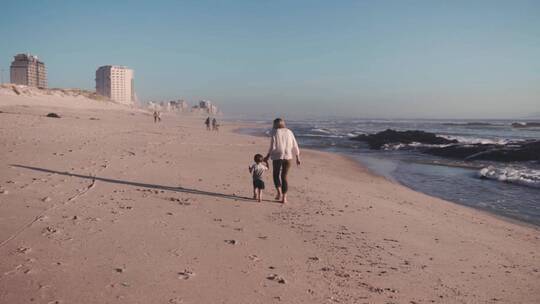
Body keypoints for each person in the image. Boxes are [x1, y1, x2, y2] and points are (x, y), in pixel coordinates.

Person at [264, 118, 301, 204]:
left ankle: (279, 192)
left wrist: (267, 156)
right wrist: (298, 157)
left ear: (275, 124)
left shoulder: (274, 131)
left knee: (276, 175)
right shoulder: (289, 131)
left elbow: (273, 146)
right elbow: (295, 144)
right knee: (284, 177)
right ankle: (284, 198)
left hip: (277, 156)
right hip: (288, 156)